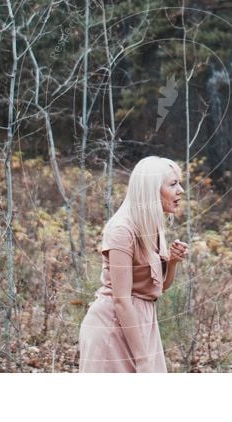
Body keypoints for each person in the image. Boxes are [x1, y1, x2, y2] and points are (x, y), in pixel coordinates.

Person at [78, 156, 189, 372]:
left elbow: (157, 289)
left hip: (142, 327)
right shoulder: (122, 230)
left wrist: (173, 262)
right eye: (173, 184)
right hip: (113, 329)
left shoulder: (152, 224)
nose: (181, 190)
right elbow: (121, 300)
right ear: (151, 189)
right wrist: (143, 358)